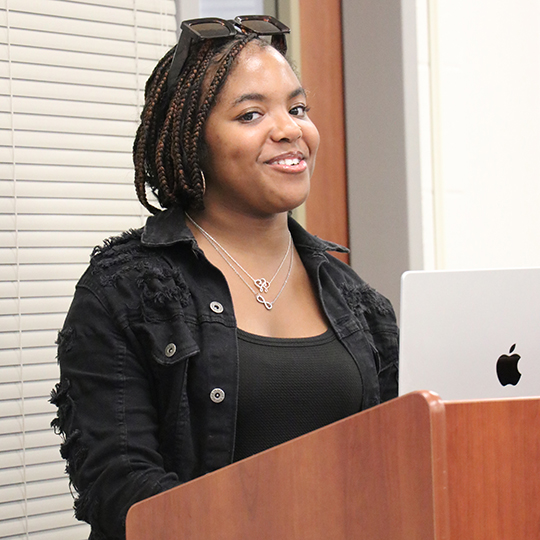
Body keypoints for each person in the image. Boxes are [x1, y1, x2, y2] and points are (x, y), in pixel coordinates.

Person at [51, 15, 399, 540]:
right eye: (252, 113)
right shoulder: (125, 291)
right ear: (194, 140)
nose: (289, 129)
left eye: (297, 108)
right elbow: (118, 486)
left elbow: (402, 460)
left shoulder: (359, 302)